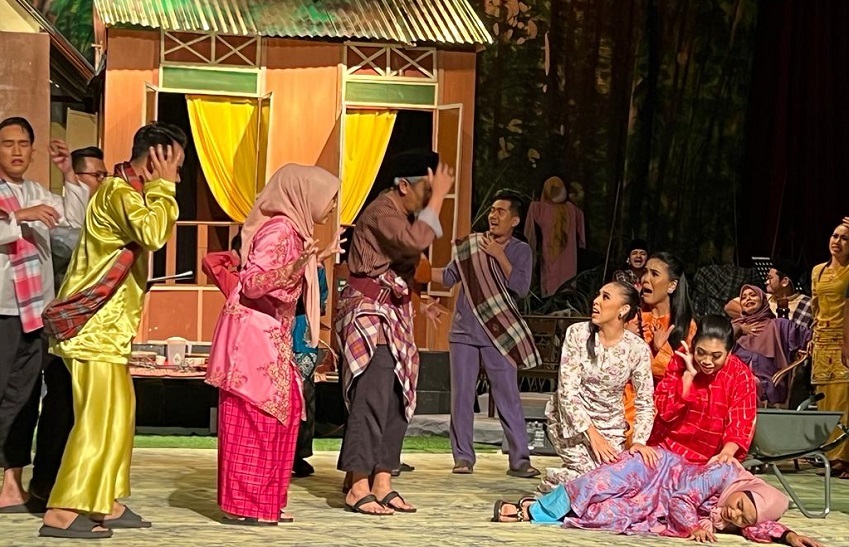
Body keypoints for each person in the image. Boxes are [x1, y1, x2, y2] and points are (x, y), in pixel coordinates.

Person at [38, 122, 186, 539]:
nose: (178, 175)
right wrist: (164, 187)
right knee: (97, 420)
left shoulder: (129, 192)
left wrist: (158, 189)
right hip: (93, 328)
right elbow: (153, 233)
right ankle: (64, 508)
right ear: (156, 159)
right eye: (175, 165)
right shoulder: (119, 192)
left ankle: (104, 500)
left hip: (111, 329)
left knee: (119, 416)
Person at [205, 165, 341, 525]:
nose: (331, 206)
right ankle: (248, 505)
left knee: (285, 413)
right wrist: (294, 268)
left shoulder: (293, 231)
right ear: (305, 195)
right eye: (329, 198)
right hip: (255, 336)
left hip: (272, 334)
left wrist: (319, 257)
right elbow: (252, 283)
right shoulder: (279, 230)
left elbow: (288, 273)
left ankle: (265, 502)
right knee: (257, 418)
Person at [336, 149, 453, 516]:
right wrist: (438, 198)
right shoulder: (382, 211)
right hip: (369, 316)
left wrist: (420, 301)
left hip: (394, 315)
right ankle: (358, 483)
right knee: (371, 395)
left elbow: (405, 265)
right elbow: (413, 243)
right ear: (404, 186)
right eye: (426, 190)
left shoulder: (404, 216)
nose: (431, 198)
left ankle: (382, 480)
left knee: (398, 397)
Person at [0, 116, 95, 514]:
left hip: (35, 311)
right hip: (2, 309)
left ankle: (11, 485)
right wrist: (21, 216)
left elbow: (74, 222)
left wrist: (68, 174)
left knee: (23, 399)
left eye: (23, 144)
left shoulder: (37, 191)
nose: (16, 151)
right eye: (8, 144)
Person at [491, 448, 823, 547]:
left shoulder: (747, 513)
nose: (734, 515)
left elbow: (758, 526)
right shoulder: (724, 474)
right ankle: (536, 509)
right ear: (742, 491)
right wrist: (696, 526)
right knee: (600, 483)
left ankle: (545, 512)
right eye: (737, 506)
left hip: (655, 506)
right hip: (657, 472)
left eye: (742, 518)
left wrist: (789, 536)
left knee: (607, 516)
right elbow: (682, 499)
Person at [431, 190, 541, 478]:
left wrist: (499, 255)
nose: (493, 215)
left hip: (500, 334)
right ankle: (463, 458)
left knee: (508, 396)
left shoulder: (520, 250)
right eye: (492, 210)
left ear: (514, 220)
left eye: (501, 211)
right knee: (462, 396)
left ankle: (520, 460)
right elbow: (448, 277)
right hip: (464, 333)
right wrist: (412, 268)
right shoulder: (472, 245)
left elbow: (520, 287)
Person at [26, 144, 108, 509]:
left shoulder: (101, 215)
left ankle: (74, 485)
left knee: (83, 409)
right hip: (61, 331)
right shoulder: (57, 214)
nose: (102, 182)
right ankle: (45, 482)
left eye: (104, 175)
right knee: (59, 404)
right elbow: (75, 241)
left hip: (93, 331)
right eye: (96, 176)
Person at [541, 281, 654, 490]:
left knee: (613, 482)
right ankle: (546, 496)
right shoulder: (577, 334)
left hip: (611, 427)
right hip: (573, 424)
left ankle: (547, 492)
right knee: (591, 479)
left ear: (623, 310)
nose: (596, 301)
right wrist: (593, 435)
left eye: (605, 297)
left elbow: (645, 402)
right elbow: (567, 392)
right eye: (598, 294)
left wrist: (639, 440)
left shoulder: (637, 348)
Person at [649, 315, 758, 465]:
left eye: (716, 356)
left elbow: (741, 422)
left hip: (712, 458)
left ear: (729, 352)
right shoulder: (681, 359)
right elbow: (664, 412)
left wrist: (727, 452)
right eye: (701, 352)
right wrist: (688, 376)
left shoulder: (740, 374)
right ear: (694, 344)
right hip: (666, 449)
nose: (707, 361)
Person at [623, 251, 696, 445]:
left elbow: (684, 375)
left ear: (672, 285)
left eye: (654, 274)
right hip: (628, 400)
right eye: (645, 272)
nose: (645, 279)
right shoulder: (630, 319)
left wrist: (660, 349)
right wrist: (626, 337)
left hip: (666, 404)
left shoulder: (686, 326)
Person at [810, 220, 849, 477]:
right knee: (825, 399)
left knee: (844, 400)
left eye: (845, 239)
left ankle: (843, 458)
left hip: (843, 340)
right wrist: (812, 336)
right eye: (835, 236)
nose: (837, 242)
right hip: (822, 341)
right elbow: (815, 306)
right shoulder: (818, 271)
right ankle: (828, 453)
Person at [731, 285, 811, 407]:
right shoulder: (736, 328)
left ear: (763, 300)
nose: (748, 299)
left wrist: (809, 344)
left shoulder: (779, 325)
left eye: (753, 295)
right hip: (736, 383)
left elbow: (808, 337)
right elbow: (718, 342)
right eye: (744, 297)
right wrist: (740, 329)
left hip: (768, 385)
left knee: (749, 385)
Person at [523, 175, 585, 297]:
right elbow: (529, 234)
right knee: (552, 282)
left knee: (562, 287)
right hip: (552, 254)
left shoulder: (570, 209)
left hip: (565, 257)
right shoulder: (540, 208)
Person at [725, 258, 814, 331]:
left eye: (770, 278)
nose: (766, 282)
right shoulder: (764, 298)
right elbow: (729, 307)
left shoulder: (807, 304)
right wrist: (750, 316)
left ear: (784, 282)